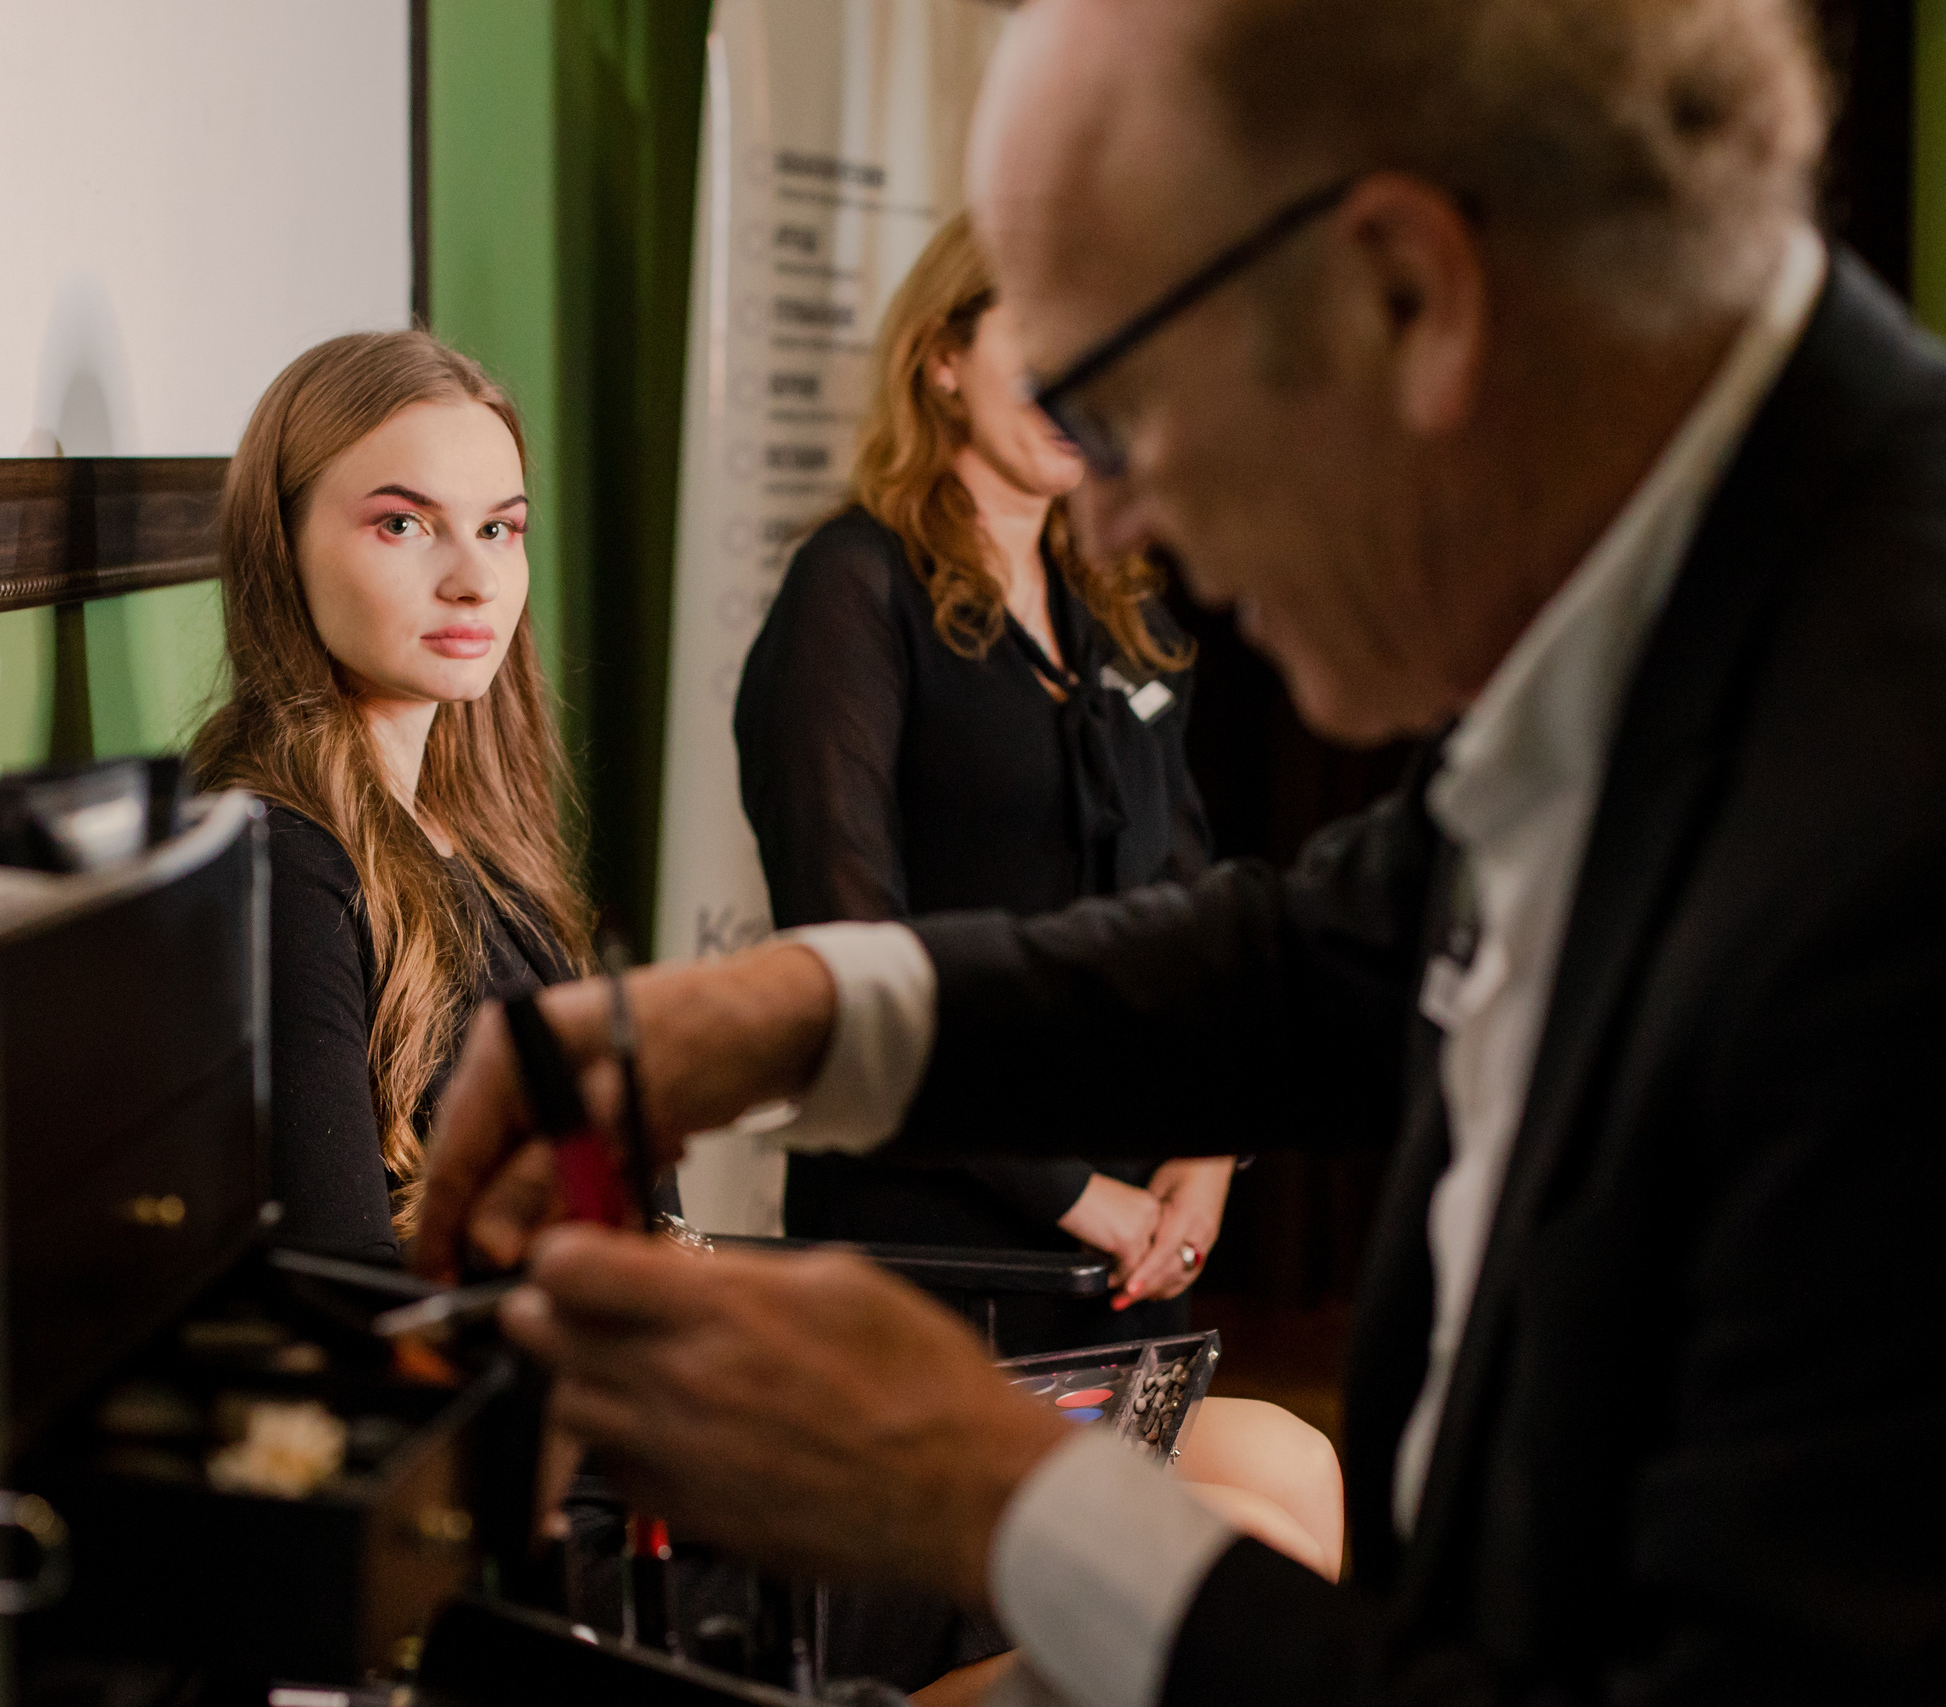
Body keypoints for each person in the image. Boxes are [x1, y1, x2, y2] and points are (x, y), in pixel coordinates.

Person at [411, 1, 1946, 1703]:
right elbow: (1319, 953)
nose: (1122, 513)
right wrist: (767, 1014)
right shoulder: (1704, 612)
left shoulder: (1892, 823)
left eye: (1117, 400)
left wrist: (994, 1498)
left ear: (1406, 297)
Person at [735, 211, 1230, 1345]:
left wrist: (1206, 1160)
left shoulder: (1122, 604)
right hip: (935, 1240)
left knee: (1281, 1495)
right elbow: (852, 954)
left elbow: (1200, 915)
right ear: (942, 359)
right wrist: (1074, 1196)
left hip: (1137, 1249)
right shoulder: (851, 589)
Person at [187, 330, 592, 1264]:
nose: (473, 581)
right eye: (403, 524)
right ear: (280, 546)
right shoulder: (290, 865)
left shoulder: (474, 824)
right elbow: (345, 1282)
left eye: (499, 528)